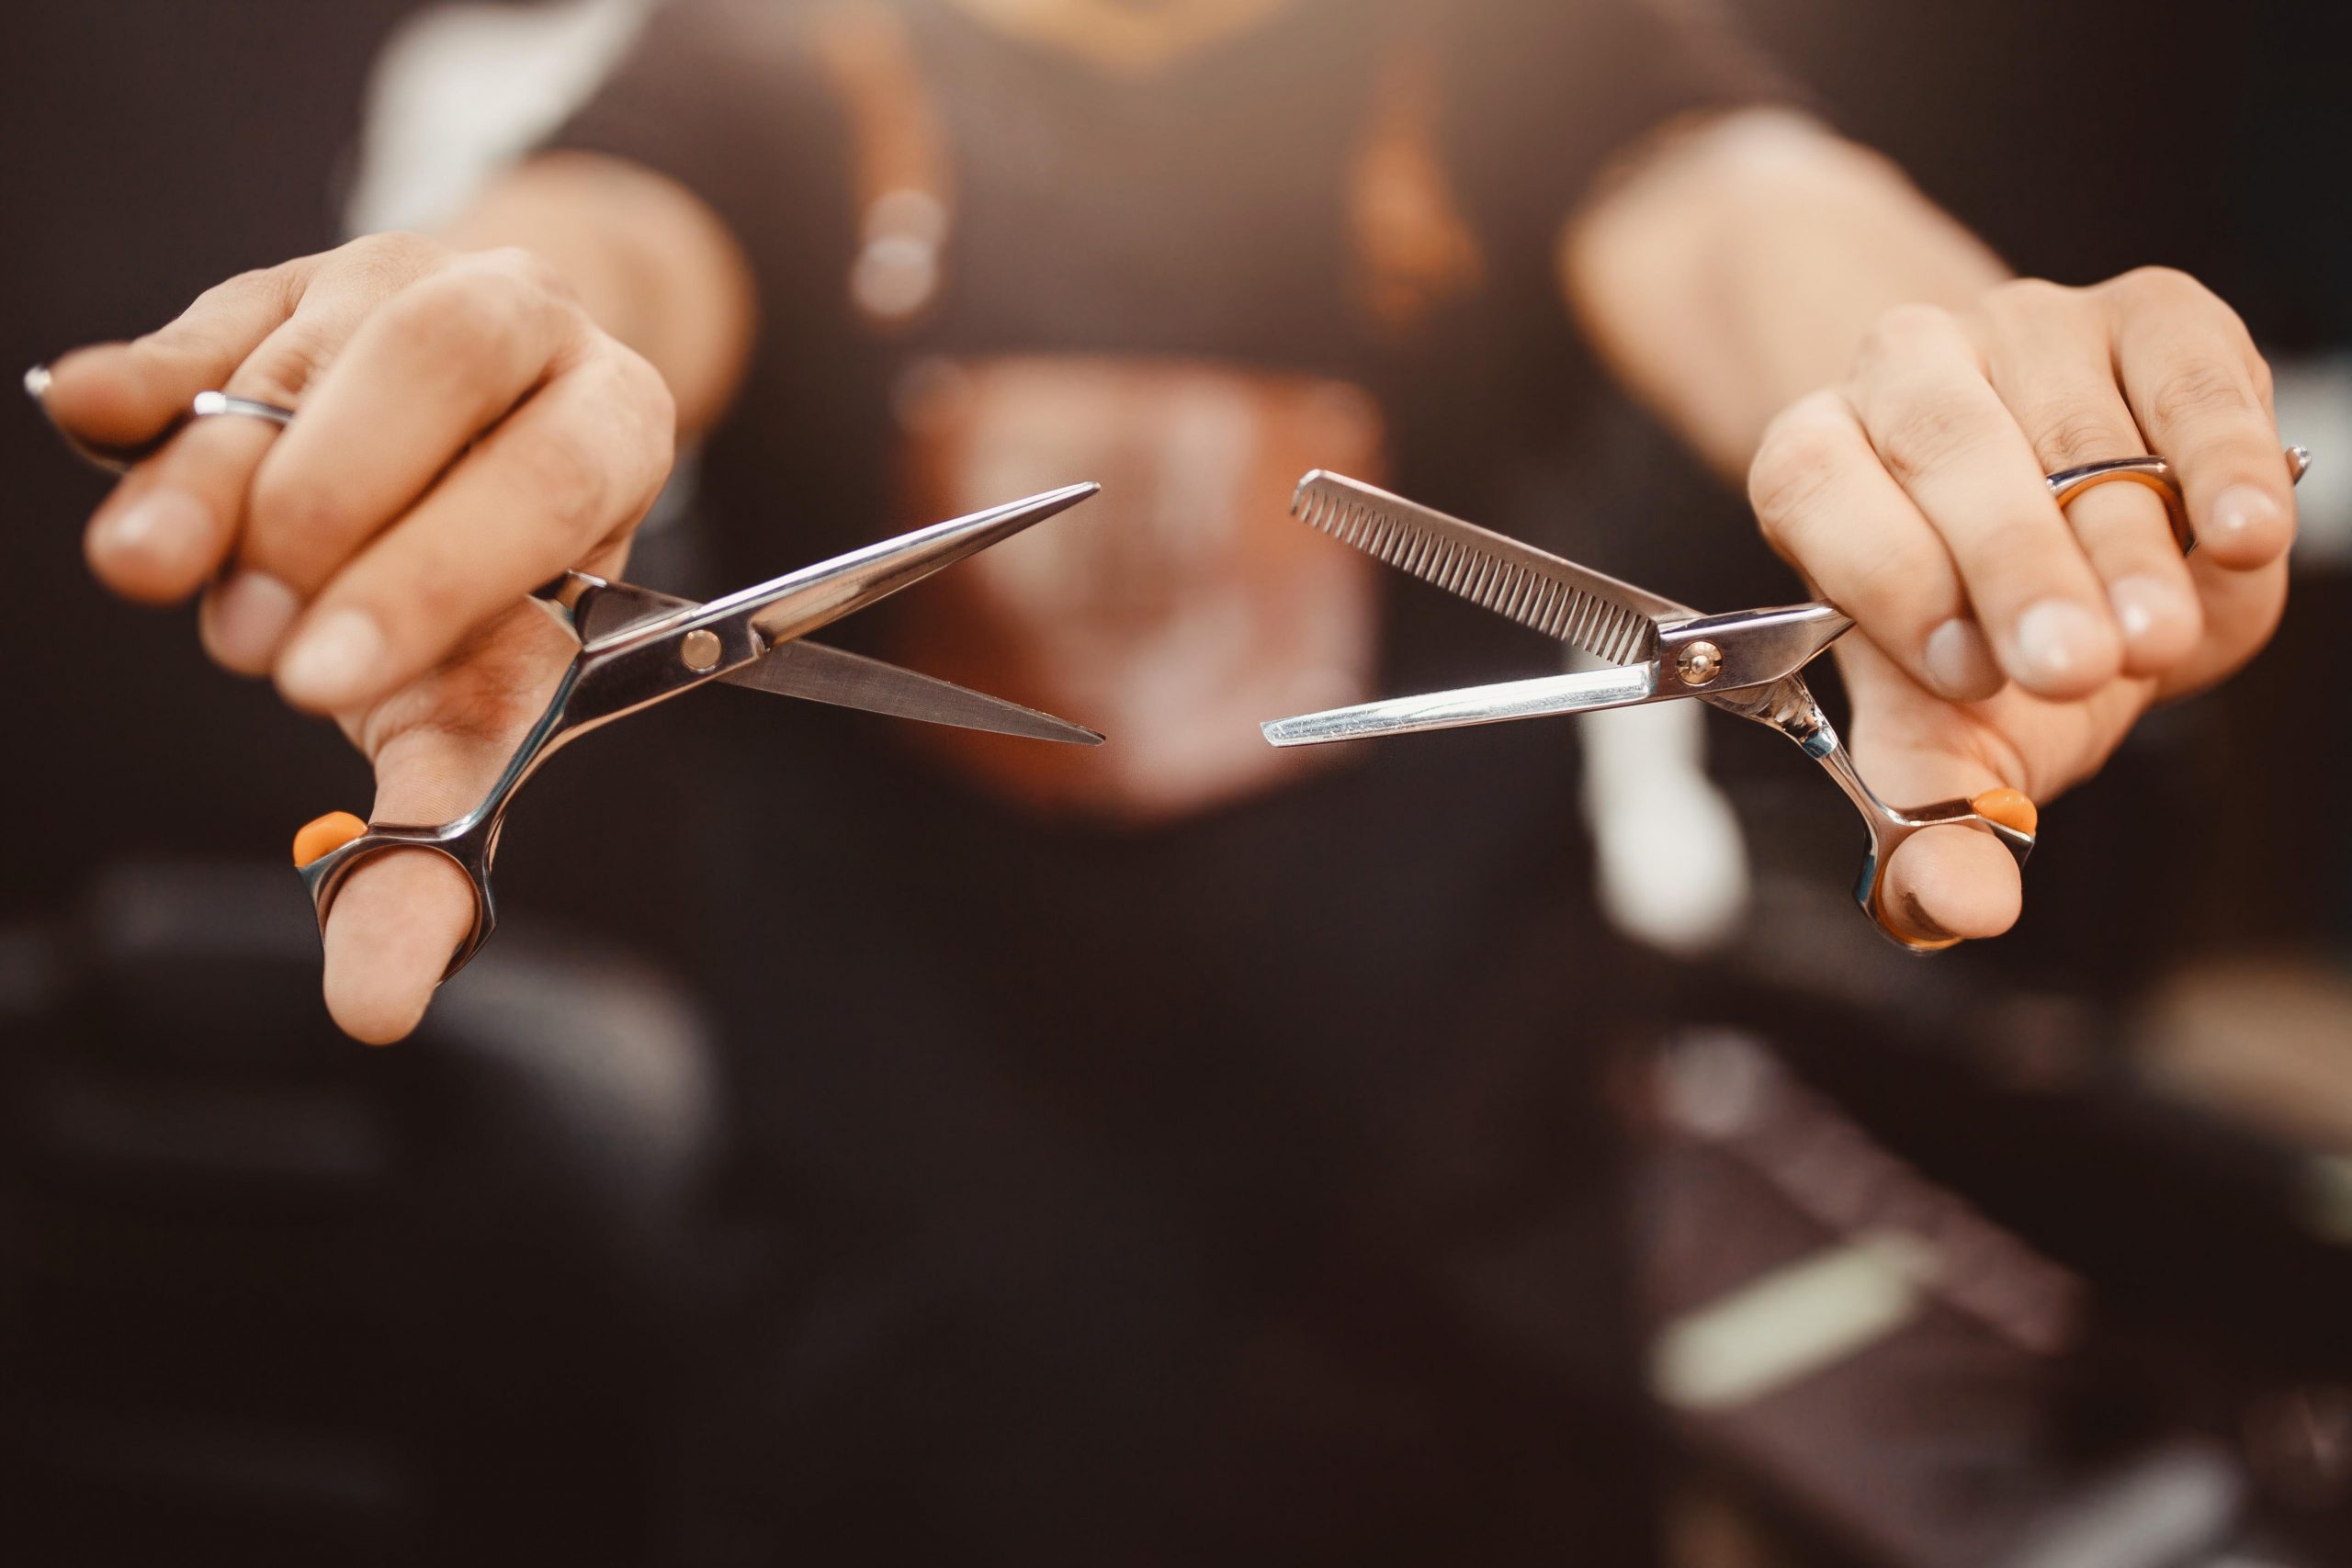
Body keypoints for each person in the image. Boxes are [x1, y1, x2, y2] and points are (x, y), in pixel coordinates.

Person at [32, 0, 2301, 1558]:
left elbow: (1779, 244)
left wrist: (1982, 422)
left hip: (1471, 1399)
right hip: (864, 1403)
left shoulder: (1531, 60)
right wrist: (465, 357)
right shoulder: (751, 67)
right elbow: (582, 250)